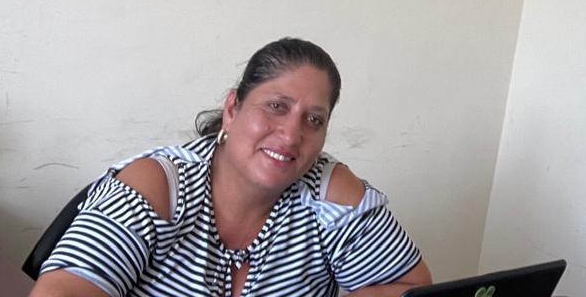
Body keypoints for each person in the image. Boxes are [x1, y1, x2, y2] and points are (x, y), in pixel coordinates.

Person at [33, 38, 431, 297]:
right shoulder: (157, 186)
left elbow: (408, 286)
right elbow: (61, 291)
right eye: (276, 106)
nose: (292, 134)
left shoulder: (329, 195)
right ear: (232, 108)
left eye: (314, 120)